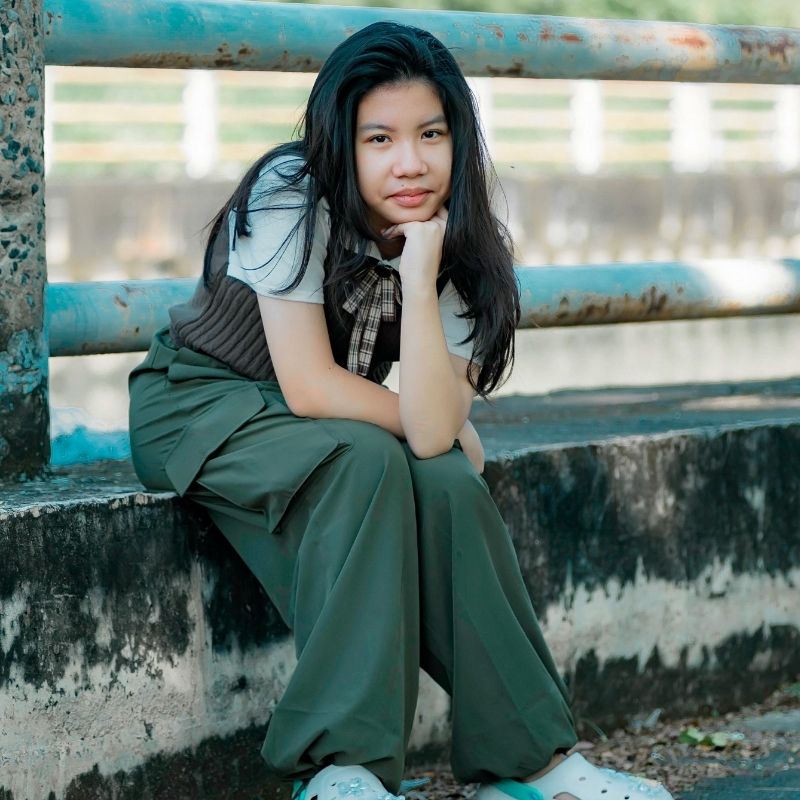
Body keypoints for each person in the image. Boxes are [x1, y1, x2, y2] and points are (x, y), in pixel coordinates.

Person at [128, 21, 673, 800]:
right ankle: (342, 768)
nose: (410, 162)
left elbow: (429, 427)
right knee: (381, 459)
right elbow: (317, 387)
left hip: (319, 421)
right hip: (199, 401)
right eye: (379, 138)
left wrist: (420, 283)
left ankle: (533, 765)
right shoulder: (293, 190)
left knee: (448, 483)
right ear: (341, 143)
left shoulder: (462, 239)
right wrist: (444, 425)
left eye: (430, 134)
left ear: (460, 140)